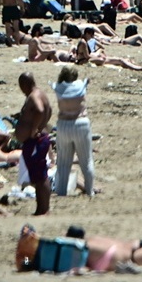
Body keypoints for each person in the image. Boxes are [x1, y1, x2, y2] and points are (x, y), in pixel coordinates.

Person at [53, 65, 95, 197]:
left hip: (63, 124)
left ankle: (61, 192)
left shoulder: (58, 88)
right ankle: (90, 191)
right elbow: (83, 91)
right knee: (86, 161)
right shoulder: (79, 86)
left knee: (63, 163)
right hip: (80, 123)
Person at [17, 73, 53, 214]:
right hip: (39, 138)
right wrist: (42, 124)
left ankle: (43, 209)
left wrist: (34, 129)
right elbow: (49, 110)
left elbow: (40, 110)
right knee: (39, 175)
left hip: (36, 141)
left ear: (24, 84)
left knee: (40, 177)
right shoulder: (41, 93)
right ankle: (41, 209)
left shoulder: (33, 96)